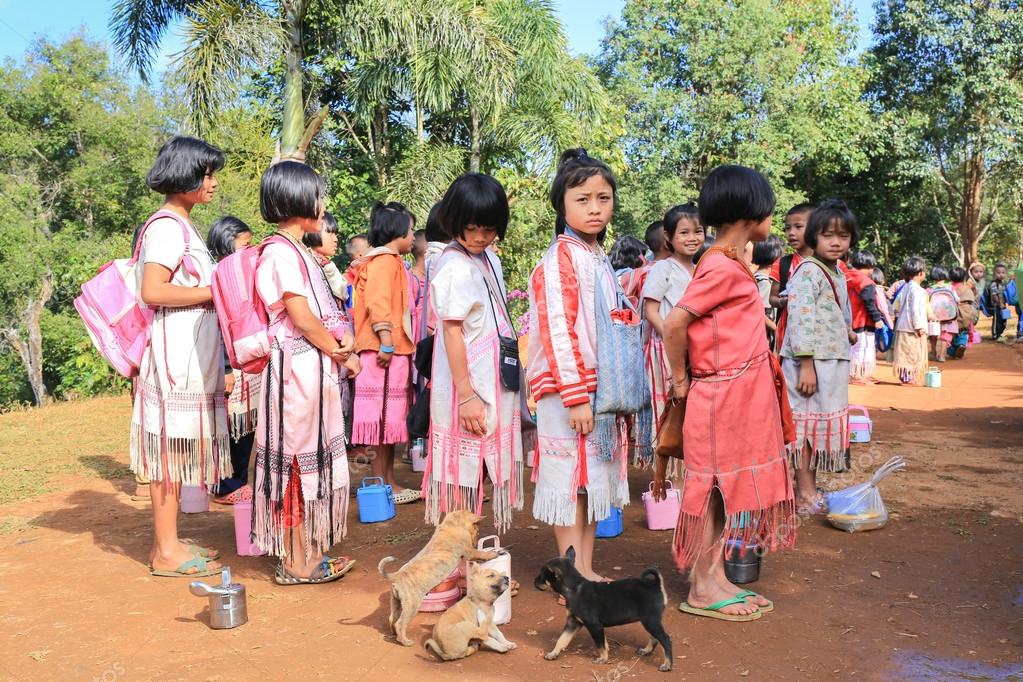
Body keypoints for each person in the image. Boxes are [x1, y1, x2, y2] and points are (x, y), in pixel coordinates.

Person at [659, 164, 795, 620]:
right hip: (721, 398)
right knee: (713, 491)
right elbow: (676, 321)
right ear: (751, 211)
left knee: (723, 492)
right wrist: (680, 381)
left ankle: (713, 578)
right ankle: (702, 586)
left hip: (739, 397)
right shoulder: (719, 264)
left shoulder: (728, 261)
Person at [526, 149, 631, 581]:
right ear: (562, 205)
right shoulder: (560, 259)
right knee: (571, 483)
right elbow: (556, 330)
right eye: (583, 199)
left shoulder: (595, 256)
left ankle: (584, 568)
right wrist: (574, 397)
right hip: (571, 392)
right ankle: (573, 575)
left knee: (591, 482)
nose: (594, 208)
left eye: (603, 198)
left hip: (595, 389)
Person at [252, 161, 359, 583]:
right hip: (295, 376)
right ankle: (297, 561)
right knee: (297, 462)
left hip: (309, 371)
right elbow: (301, 316)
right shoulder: (280, 253)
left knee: (308, 459)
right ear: (297, 200)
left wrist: (340, 343)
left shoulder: (298, 252)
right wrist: (340, 352)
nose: (323, 203)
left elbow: (319, 314)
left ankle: (307, 551)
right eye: (318, 195)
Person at [131, 136, 229, 577]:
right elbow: (152, 291)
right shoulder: (167, 227)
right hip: (174, 361)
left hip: (189, 358)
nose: (212, 183)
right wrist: (216, 292)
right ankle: (165, 552)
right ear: (185, 175)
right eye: (206, 174)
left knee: (177, 448)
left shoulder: (182, 225)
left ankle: (168, 541)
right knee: (169, 451)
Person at [423, 173, 524, 532]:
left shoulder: (487, 260)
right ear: (454, 222)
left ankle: (469, 562)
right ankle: (453, 565)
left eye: (490, 228)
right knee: (460, 475)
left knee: (478, 470)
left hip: (490, 381)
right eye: (472, 228)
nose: (481, 236)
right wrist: (466, 396)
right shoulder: (453, 266)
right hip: (467, 386)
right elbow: (451, 331)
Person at [780, 201, 857, 513]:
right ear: (814, 237)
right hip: (811, 364)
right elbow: (800, 318)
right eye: (827, 235)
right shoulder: (807, 272)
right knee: (805, 431)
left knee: (814, 429)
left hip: (831, 361)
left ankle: (806, 488)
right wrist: (807, 365)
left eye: (843, 235)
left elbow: (835, 312)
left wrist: (847, 332)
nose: (836, 242)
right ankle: (805, 493)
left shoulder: (835, 271)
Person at [349, 202, 421, 504]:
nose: (414, 236)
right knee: (380, 423)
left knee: (388, 422)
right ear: (398, 232)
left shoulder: (389, 261)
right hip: (383, 352)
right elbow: (379, 303)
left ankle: (388, 481)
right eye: (411, 230)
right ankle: (382, 483)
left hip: (391, 350)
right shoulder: (384, 262)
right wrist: (387, 341)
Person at [641, 203, 704, 472]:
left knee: (687, 412)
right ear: (668, 237)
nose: (692, 238)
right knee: (666, 412)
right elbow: (649, 310)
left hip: (692, 352)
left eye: (698, 231)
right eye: (684, 233)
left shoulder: (701, 268)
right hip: (664, 352)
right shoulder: (663, 268)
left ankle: (681, 477)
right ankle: (664, 481)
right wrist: (670, 334)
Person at [205, 216, 259, 504]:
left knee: (245, 428)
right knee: (231, 428)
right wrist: (225, 368)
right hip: (229, 367)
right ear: (227, 244)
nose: (250, 251)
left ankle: (239, 481)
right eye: (245, 245)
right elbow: (219, 328)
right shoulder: (220, 277)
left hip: (245, 368)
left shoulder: (240, 277)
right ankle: (226, 485)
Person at [768, 203, 816, 352]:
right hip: (788, 335)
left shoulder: (834, 265)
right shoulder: (782, 263)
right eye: (788, 228)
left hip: (822, 335)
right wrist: (783, 301)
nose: (791, 233)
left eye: (798, 227)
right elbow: (772, 298)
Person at [846, 250, 885, 383]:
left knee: (858, 347)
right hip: (863, 320)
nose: (871, 271)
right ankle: (856, 375)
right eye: (871, 267)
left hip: (852, 319)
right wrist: (877, 318)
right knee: (863, 347)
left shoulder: (847, 277)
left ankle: (862, 373)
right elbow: (869, 302)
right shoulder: (866, 282)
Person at [892, 257, 929, 384]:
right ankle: (909, 378)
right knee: (912, 353)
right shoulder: (917, 290)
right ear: (920, 273)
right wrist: (919, 327)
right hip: (912, 327)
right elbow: (915, 310)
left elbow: (896, 305)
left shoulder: (905, 287)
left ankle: (905, 376)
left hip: (902, 325)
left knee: (904, 352)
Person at [752, 235, 784, 342]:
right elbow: (758, 312)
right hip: (763, 338)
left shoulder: (755, 277)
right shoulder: (765, 283)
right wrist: (776, 327)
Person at [927, 266, 959, 362]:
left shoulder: (929, 290)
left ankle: (933, 352)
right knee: (946, 335)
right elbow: (957, 299)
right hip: (949, 316)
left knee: (933, 334)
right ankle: (942, 355)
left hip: (935, 317)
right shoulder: (950, 287)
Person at [948, 266, 977, 358]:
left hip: (952, 313)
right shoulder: (967, 289)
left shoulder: (949, 288)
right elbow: (972, 300)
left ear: (950, 277)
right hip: (966, 313)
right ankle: (962, 344)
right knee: (964, 331)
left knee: (952, 333)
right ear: (964, 277)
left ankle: (952, 351)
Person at [983, 263, 1010, 340]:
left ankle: (1000, 333)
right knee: (997, 320)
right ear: (994, 274)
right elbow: (994, 295)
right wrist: (999, 303)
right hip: (996, 306)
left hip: (1003, 305)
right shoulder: (994, 284)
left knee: (1004, 319)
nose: (1001, 275)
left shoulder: (1004, 283)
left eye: (1003, 273)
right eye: (998, 273)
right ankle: (995, 334)